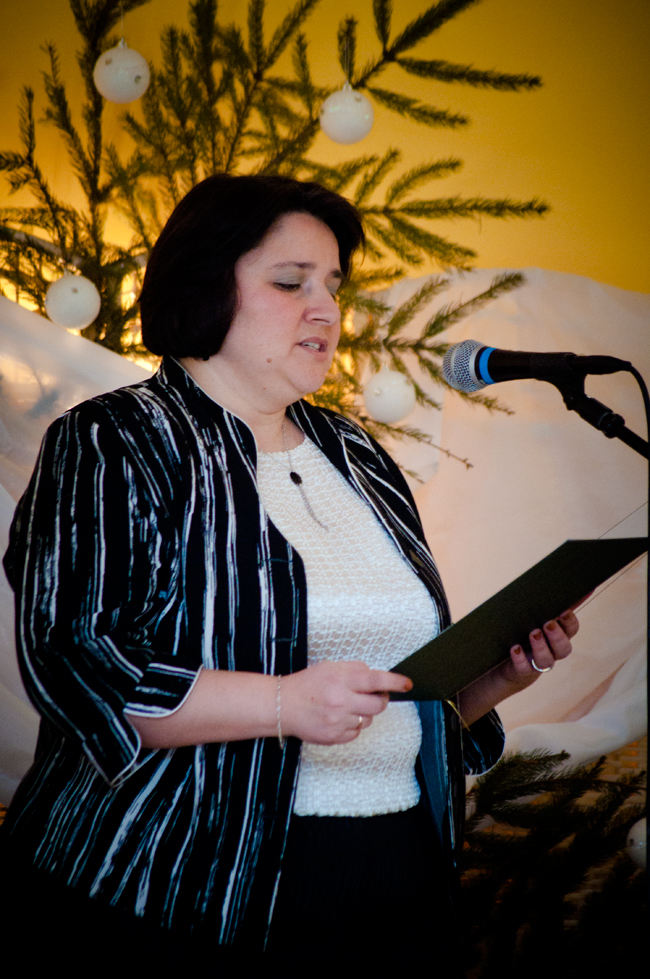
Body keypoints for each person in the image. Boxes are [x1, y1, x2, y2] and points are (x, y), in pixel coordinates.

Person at [0, 175, 578, 972]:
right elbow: (80, 664)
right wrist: (283, 702)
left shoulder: (358, 454)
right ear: (207, 286)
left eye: (333, 285)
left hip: (399, 879)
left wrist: (492, 680)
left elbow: (394, 698)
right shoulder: (114, 440)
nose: (326, 309)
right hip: (177, 888)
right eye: (290, 282)